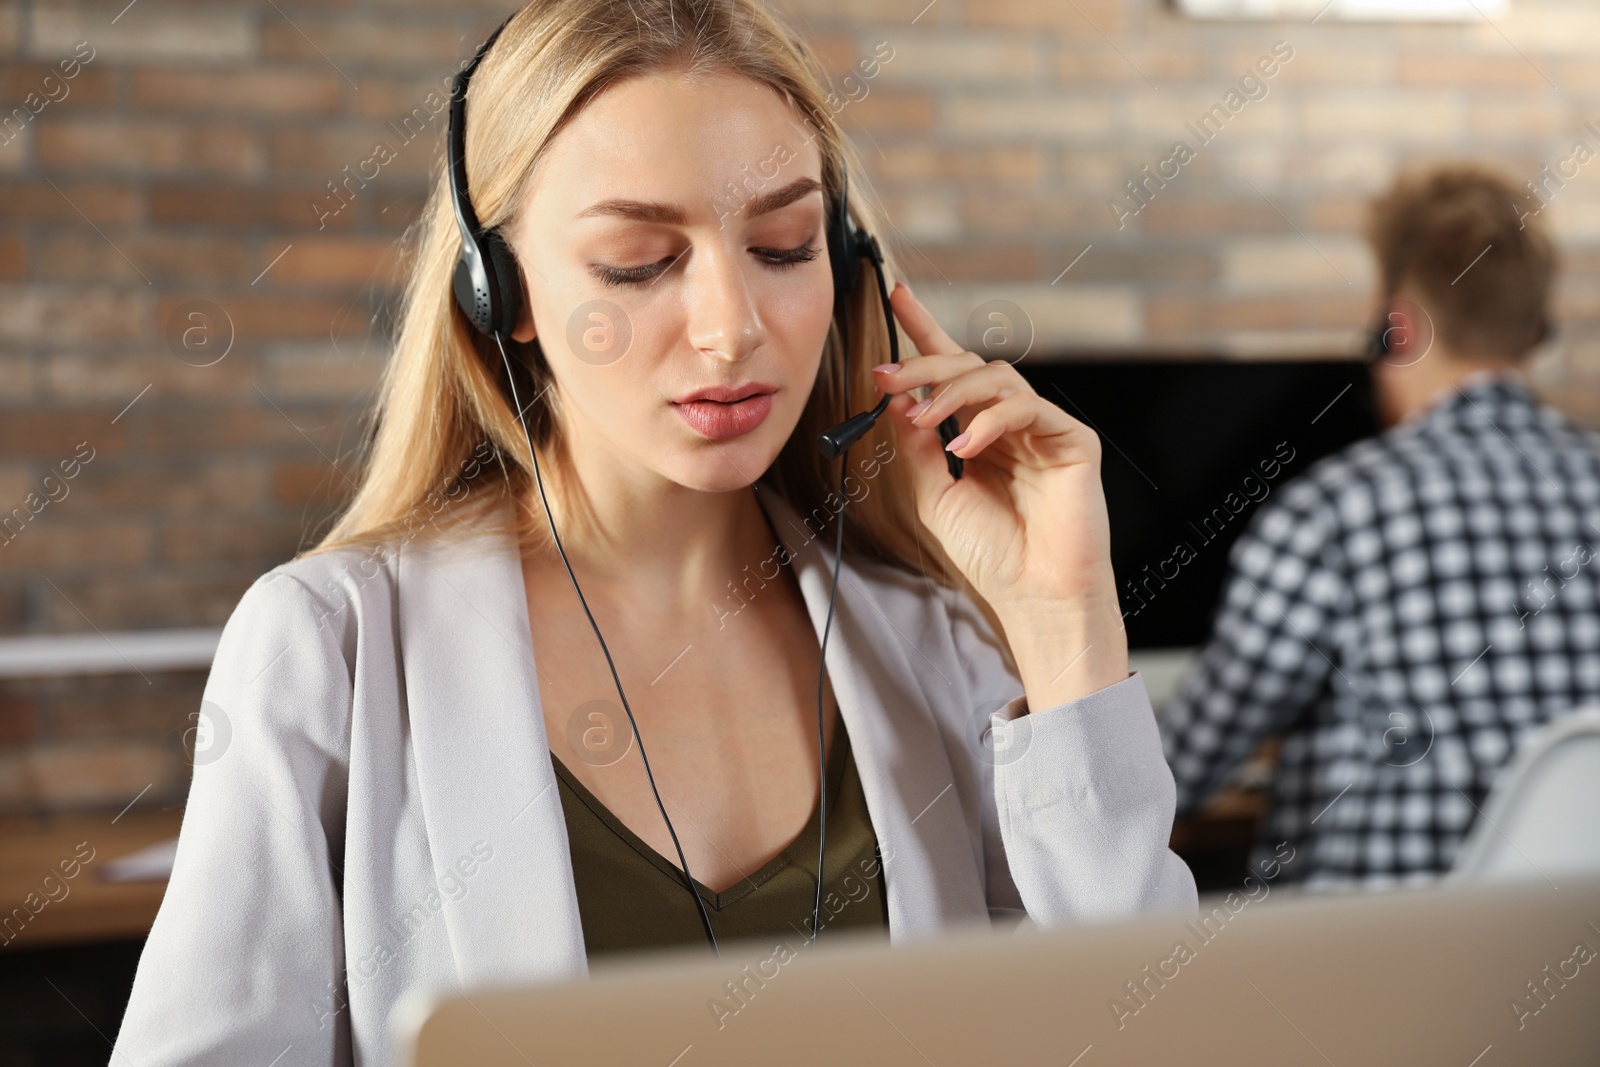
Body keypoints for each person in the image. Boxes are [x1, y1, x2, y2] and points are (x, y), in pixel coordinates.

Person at [112, 1, 1195, 1061]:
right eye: (637, 261)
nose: (732, 327)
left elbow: (1151, 1032)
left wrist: (1065, 623)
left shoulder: (929, 643)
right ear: (500, 292)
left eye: (781, 245)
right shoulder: (332, 644)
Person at [1160, 162, 1600, 890]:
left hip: (1383, 966)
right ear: (1537, 331)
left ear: (1397, 329)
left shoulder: (1333, 513)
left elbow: (1175, 776)